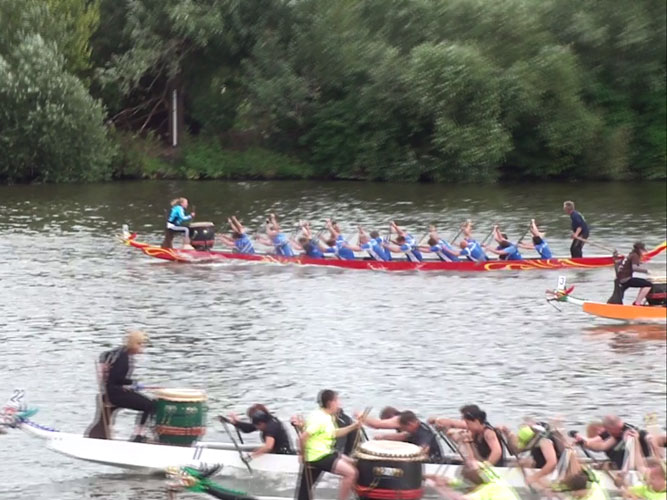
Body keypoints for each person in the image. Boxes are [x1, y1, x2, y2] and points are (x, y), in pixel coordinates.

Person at [293, 389, 364, 500]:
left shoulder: (323, 415)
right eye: (337, 401)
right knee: (351, 473)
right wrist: (301, 455)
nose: (339, 404)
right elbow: (302, 438)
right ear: (331, 403)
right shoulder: (320, 419)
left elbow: (335, 433)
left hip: (325, 452)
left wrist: (353, 427)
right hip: (317, 456)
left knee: (353, 463)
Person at [103, 330, 155, 442]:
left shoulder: (120, 352)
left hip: (114, 390)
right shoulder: (123, 359)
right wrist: (132, 383)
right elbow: (117, 379)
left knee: (147, 403)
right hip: (115, 394)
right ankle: (139, 435)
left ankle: (139, 434)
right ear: (134, 344)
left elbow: (104, 356)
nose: (142, 347)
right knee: (149, 405)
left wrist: (131, 384)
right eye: (140, 344)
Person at [430, 405, 505, 466]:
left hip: (493, 466)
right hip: (481, 461)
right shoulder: (475, 431)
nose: (467, 426)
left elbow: (497, 452)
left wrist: (486, 467)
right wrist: (439, 423)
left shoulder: (488, 432)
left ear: (476, 421)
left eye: (468, 423)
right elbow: (453, 423)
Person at [572, 415, 651, 470]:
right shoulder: (612, 434)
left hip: (636, 466)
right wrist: (584, 443)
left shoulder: (630, 431)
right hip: (616, 465)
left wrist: (649, 439)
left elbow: (648, 437)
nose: (620, 431)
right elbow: (601, 446)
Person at [499, 422, 562, 487]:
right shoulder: (535, 440)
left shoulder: (544, 442)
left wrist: (534, 477)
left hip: (553, 474)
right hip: (541, 467)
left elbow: (552, 463)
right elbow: (515, 451)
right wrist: (507, 433)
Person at [363, 409, 443, 461]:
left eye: (404, 428)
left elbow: (424, 450)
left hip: (432, 461)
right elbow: (404, 436)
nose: (403, 430)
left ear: (411, 424)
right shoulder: (414, 429)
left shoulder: (423, 432)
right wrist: (383, 438)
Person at [425, 459, 520, 500]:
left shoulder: (489, 490)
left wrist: (443, 489)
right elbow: (448, 481)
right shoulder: (496, 479)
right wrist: (426, 477)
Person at [226, 404, 294, 459]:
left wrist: (251, 456)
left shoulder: (272, 426)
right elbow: (249, 428)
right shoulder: (266, 421)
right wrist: (236, 423)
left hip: (282, 456)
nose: (256, 427)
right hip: (276, 453)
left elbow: (268, 447)